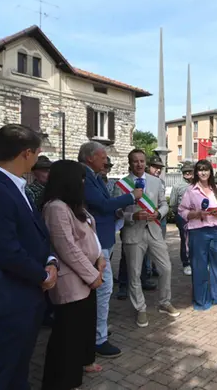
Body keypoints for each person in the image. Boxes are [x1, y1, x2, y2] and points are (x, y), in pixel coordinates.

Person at [0, 125, 56, 390]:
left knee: (18, 369)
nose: (38, 158)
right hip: (7, 299)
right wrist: (42, 276)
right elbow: (5, 249)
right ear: (27, 153)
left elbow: (36, 235)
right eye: (38, 152)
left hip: (23, 297)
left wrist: (51, 261)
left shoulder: (14, 186)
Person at [40, 160, 104, 390]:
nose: (84, 183)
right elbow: (66, 247)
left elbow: (90, 234)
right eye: (81, 178)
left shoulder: (75, 206)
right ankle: (63, 382)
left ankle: (81, 364)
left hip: (88, 275)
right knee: (67, 336)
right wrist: (92, 274)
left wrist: (100, 259)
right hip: (72, 279)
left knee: (83, 328)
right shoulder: (56, 207)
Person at [80, 141, 142, 358]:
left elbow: (104, 207)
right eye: (103, 156)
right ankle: (98, 338)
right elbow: (102, 205)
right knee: (103, 289)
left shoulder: (95, 177)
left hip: (103, 239)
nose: (106, 160)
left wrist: (116, 213)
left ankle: (98, 331)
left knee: (101, 289)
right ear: (90, 158)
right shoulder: (86, 178)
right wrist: (131, 197)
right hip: (96, 243)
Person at [112, 149, 178, 328]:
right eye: (135, 161)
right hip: (133, 233)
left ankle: (164, 302)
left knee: (166, 268)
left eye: (142, 161)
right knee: (134, 274)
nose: (139, 164)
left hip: (154, 230)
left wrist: (158, 213)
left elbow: (164, 204)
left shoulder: (156, 181)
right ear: (130, 163)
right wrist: (132, 217)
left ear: (145, 163)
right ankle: (140, 308)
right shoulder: (121, 185)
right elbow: (116, 211)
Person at [178, 159, 217, 309]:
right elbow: (182, 211)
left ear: (210, 172)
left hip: (215, 229)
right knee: (199, 266)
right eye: (200, 170)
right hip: (198, 231)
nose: (203, 172)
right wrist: (196, 213)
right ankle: (202, 299)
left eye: (206, 170)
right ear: (196, 172)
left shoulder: (216, 189)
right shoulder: (191, 190)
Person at [169, 161, 195, 276]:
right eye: (185, 172)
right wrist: (178, 216)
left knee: (196, 239)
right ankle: (186, 263)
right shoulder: (177, 186)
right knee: (185, 240)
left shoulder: (197, 184)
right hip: (183, 216)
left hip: (196, 216)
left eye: (190, 171)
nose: (188, 173)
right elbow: (173, 204)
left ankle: (196, 261)